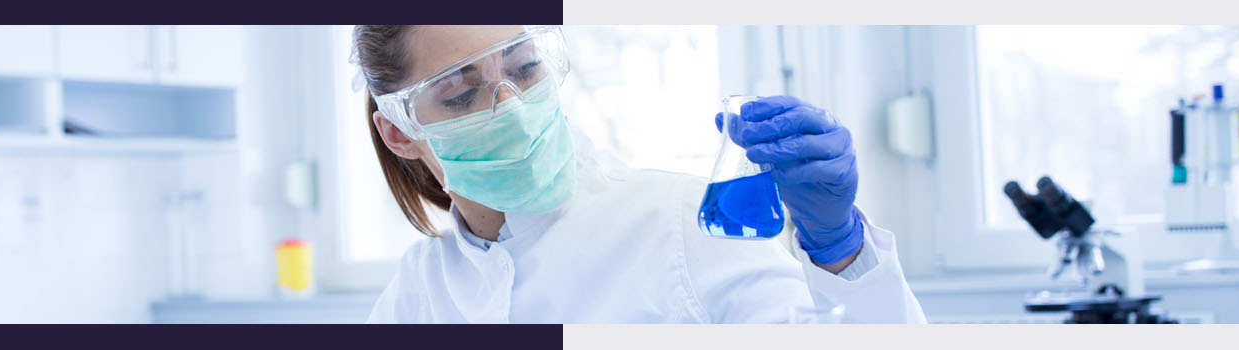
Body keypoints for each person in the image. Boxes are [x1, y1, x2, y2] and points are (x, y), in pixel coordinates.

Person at [353, 25, 924, 323]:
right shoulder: (419, 291)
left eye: (526, 69)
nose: (511, 104)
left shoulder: (683, 225)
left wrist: (840, 251)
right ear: (401, 131)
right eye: (461, 94)